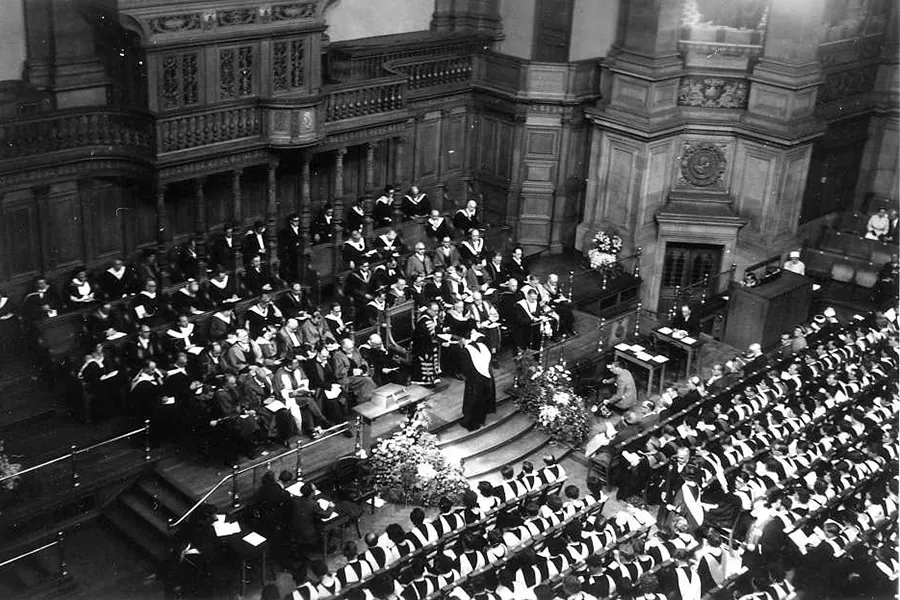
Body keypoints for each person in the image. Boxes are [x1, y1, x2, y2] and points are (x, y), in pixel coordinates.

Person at [458, 328, 496, 431]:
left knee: (472, 400)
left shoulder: (466, 351)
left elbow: (465, 369)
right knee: (482, 399)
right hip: (486, 377)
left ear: (462, 339)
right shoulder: (482, 346)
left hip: (474, 380)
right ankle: (481, 420)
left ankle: (470, 423)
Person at [332, 337, 377, 404]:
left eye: (352, 347)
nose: (352, 349)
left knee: (368, 378)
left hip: (359, 375)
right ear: (344, 349)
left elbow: (362, 360)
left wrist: (363, 368)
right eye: (349, 349)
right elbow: (338, 373)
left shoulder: (355, 350)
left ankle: (371, 398)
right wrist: (351, 371)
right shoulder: (337, 356)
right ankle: (365, 401)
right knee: (367, 380)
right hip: (347, 378)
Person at [411, 302, 442, 385]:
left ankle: (434, 377)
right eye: (435, 311)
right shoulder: (424, 320)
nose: (436, 313)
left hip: (430, 343)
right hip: (422, 346)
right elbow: (426, 335)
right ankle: (425, 380)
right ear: (429, 310)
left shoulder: (432, 317)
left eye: (437, 311)